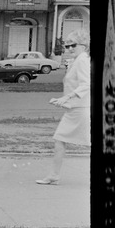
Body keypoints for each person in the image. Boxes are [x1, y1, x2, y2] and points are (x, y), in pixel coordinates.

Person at [36, 30, 91, 185]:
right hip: (74, 109)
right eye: (67, 46)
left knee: (71, 141)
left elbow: (86, 84)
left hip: (80, 110)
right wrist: (62, 100)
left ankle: (54, 175)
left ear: (84, 45)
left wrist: (67, 97)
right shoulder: (77, 60)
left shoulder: (82, 60)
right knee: (60, 140)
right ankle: (54, 175)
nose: (70, 48)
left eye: (73, 45)